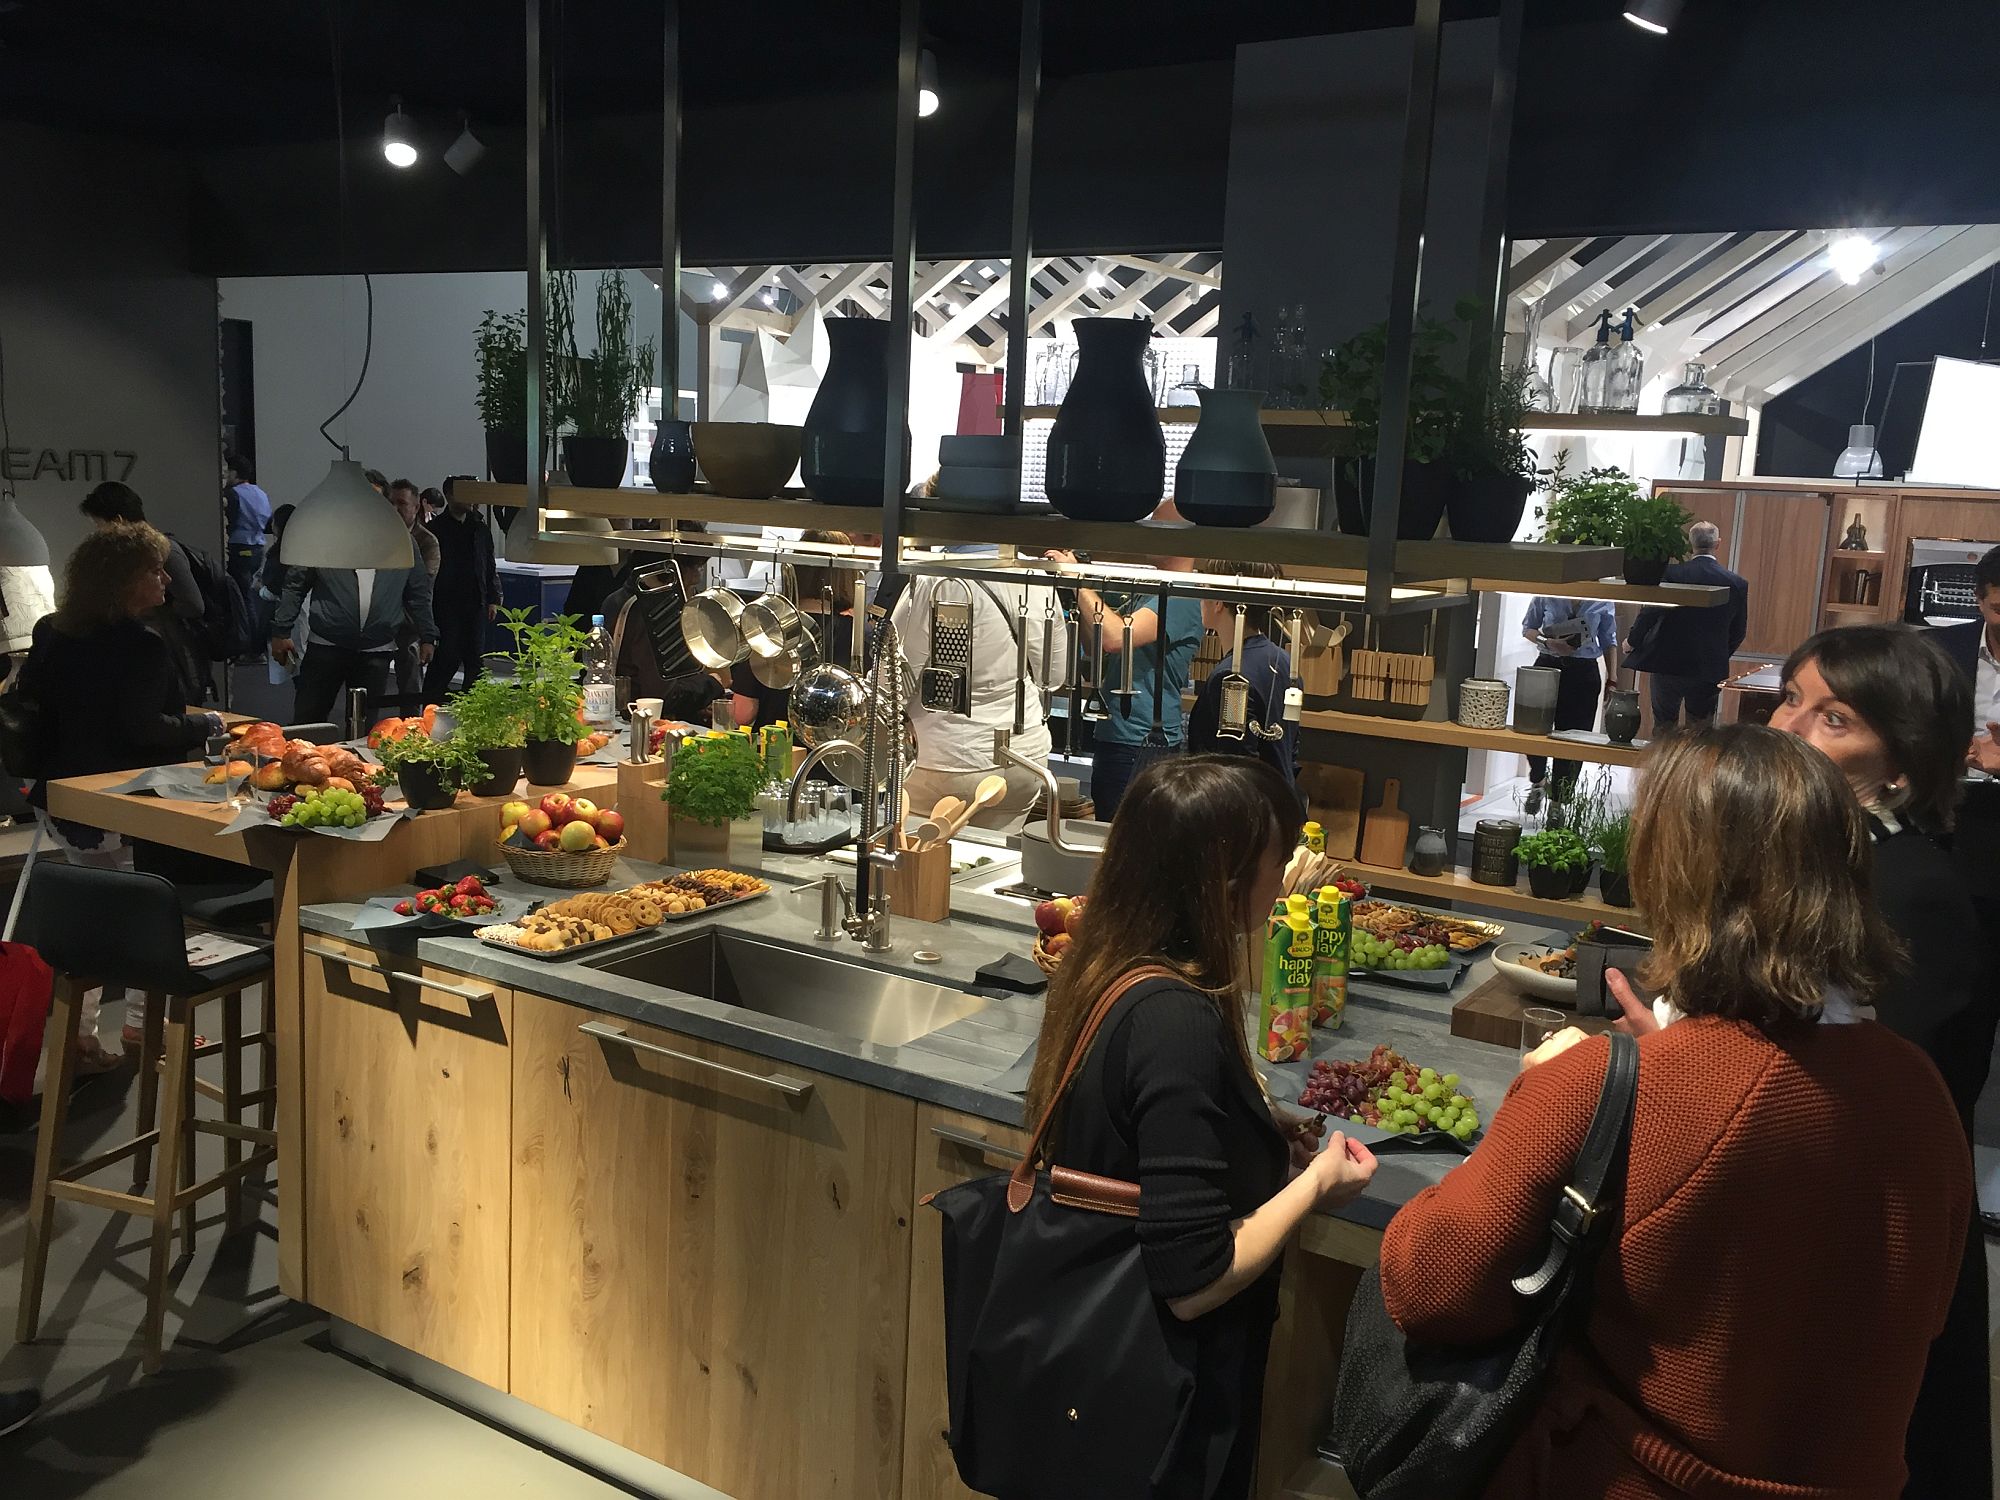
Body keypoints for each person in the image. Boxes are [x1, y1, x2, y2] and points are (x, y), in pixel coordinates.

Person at [1384, 725, 1971, 1499]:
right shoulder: (1919, 1089)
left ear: (1674, 877)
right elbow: (1908, 1309)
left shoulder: (1605, 1084)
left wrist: (1561, 1093)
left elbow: (1427, 1285)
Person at [1027, 756, 1377, 1499]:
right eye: (1276, 858)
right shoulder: (1176, 1018)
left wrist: (1248, 1129)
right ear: (1225, 882)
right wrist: (1314, 1182)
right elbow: (1193, 1278)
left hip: (1094, 1388)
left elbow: (1133, 1135)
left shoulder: (1111, 966)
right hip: (1164, 1407)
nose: (1286, 874)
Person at [1759, 624, 1995, 1498]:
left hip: (1872, 1247)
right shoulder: (1839, 860)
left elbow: (1877, 1110)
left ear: (1902, 761)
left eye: (1835, 719)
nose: (1788, 729)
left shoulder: (1912, 892)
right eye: (1793, 699)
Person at [19, 523, 224, 1069]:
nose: (165, 578)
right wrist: (202, 725)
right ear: (121, 581)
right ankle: (139, 1028)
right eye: (153, 570)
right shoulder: (141, 644)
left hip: (62, 795)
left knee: (89, 920)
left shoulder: (51, 631)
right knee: (142, 919)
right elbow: (145, 730)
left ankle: (82, 1034)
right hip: (124, 800)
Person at [1046, 538, 1203, 821]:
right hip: (1119, 736)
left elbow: (1117, 637)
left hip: (1143, 742)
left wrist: (1079, 581)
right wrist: (1077, 593)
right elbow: (1098, 642)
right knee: (1110, 831)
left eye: (1161, 525)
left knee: (1125, 837)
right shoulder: (1149, 592)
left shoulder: (1180, 596)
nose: (1151, 530)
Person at [892, 569, 1055, 829]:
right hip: (1024, 757)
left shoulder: (933, 576)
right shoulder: (1035, 576)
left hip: (946, 759)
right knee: (995, 862)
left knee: (923, 863)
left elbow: (893, 677)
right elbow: (1053, 675)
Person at [270, 510, 436, 728]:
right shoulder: (325, 538)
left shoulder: (402, 541)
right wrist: (281, 631)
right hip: (326, 644)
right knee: (308, 722)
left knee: (365, 728)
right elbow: (295, 584)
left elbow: (418, 592)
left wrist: (427, 636)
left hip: (376, 648)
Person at [77, 481, 208, 703]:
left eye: (98, 524)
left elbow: (194, 604)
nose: (98, 531)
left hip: (173, 648)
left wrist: (153, 608)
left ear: (117, 521)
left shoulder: (164, 550)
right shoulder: (131, 554)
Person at [1185, 562, 1298, 806]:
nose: (1201, 597)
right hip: (1281, 805)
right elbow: (1291, 747)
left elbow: (1234, 767)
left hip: (1244, 816)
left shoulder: (1231, 679)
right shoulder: (1285, 661)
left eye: (1205, 587)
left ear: (1218, 603)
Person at [1621, 520, 1748, 729]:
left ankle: (1663, 762)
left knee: (1664, 726)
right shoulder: (1736, 583)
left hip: (1667, 662)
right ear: (1718, 544)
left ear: (1690, 544)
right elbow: (1738, 631)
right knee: (1700, 732)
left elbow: (1650, 612)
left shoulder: (1671, 574)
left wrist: (1632, 641)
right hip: (1708, 666)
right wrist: (1717, 653)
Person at [1518, 594, 1618, 811]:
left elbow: (1609, 640)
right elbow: (1528, 628)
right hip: (1547, 664)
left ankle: (1558, 804)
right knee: (1533, 728)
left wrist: (1613, 678)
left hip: (1583, 671)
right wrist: (1548, 642)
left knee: (1574, 738)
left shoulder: (1602, 599)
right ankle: (1538, 780)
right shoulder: (1548, 592)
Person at [421, 480, 502, 702]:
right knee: (447, 655)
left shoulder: (479, 528)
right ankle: (430, 703)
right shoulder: (436, 529)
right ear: (449, 495)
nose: (470, 499)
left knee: (475, 658)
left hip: (475, 602)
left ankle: (474, 706)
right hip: (446, 602)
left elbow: (488, 564)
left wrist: (493, 597)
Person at [388, 480, 440, 709]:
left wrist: (426, 635)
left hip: (409, 625)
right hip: (380, 623)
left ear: (416, 506)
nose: (395, 509)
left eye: (401, 503)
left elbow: (423, 587)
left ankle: (411, 731)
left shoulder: (427, 541)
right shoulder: (379, 536)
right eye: (391, 503)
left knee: (409, 686)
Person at [223, 449, 273, 633]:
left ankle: (251, 645)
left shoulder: (233, 494)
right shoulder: (261, 493)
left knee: (242, 598)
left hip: (239, 548)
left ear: (235, 473)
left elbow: (231, 521)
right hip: (258, 548)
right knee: (249, 594)